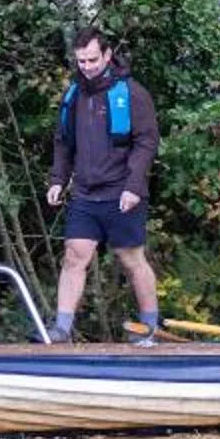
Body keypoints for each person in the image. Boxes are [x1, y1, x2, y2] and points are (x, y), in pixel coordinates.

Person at [46, 27, 162, 343]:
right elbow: (63, 142)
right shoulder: (73, 96)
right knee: (74, 255)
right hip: (85, 192)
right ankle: (61, 329)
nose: (87, 66)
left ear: (107, 55)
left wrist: (134, 186)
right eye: (81, 61)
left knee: (131, 258)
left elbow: (147, 141)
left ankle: (150, 329)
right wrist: (58, 179)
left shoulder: (131, 93)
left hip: (122, 191)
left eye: (92, 59)